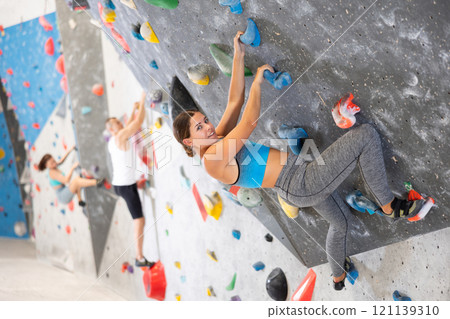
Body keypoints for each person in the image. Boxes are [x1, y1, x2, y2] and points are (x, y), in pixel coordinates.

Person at [172, 31, 428, 290]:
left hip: (298, 181)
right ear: (189, 142)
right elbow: (249, 122)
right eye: (199, 128)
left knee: (341, 224)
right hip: (302, 182)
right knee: (366, 136)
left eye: (204, 120)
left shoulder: (217, 141)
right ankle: (389, 206)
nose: (207, 126)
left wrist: (238, 55)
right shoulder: (212, 160)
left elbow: (235, 101)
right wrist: (258, 84)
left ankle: (338, 278)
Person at [105, 91, 155, 268]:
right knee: (139, 220)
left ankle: (139, 256)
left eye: (120, 121)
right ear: (112, 129)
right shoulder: (119, 136)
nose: (120, 124)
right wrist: (142, 99)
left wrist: (133, 110)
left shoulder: (113, 140)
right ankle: (139, 257)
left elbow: (128, 127)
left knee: (139, 217)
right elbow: (136, 124)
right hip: (125, 186)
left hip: (124, 184)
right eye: (117, 123)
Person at [38, 146, 104, 207]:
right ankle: (98, 182)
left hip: (63, 190)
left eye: (54, 161)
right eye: (52, 163)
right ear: (47, 166)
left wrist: (70, 150)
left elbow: (61, 161)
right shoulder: (52, 172)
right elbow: (67, 180)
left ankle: (80, 201)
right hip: (62, 196)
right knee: (76, 181)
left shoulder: (53, 166)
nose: (55, 163)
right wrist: (72, 168)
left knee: (78, 178)